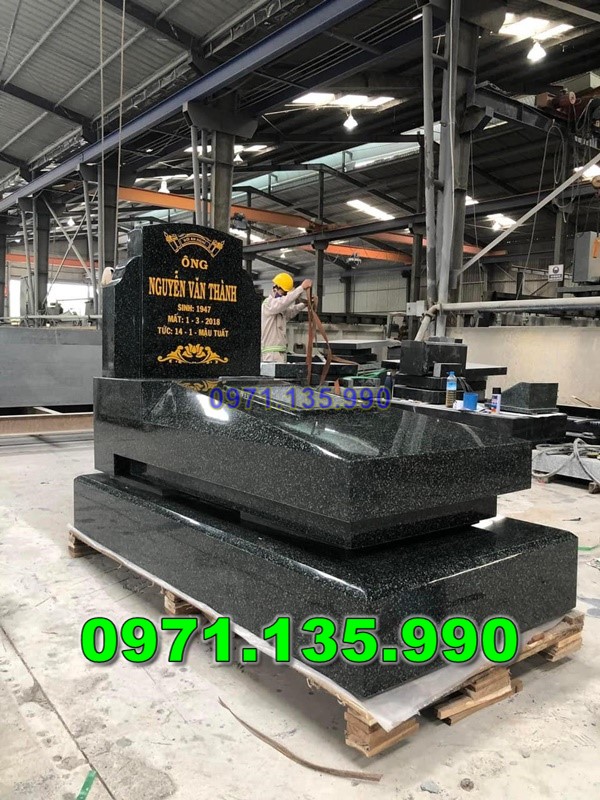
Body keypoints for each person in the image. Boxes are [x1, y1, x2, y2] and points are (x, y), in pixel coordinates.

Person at [261, 273, 313, 362]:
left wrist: (305, 304)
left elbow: (290, 311)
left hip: (280, 352)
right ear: (276, 288)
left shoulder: (278, 308)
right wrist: (301, 288)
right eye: (284, 292)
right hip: (271, 353)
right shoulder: (268, 304)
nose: (285, 295)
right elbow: (284, 302)